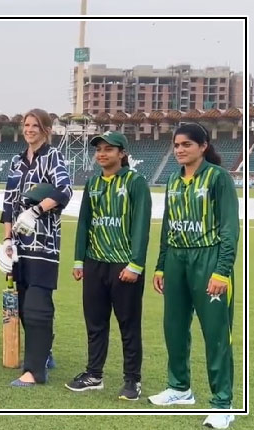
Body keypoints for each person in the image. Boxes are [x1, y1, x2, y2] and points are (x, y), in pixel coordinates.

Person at [147, 123, 239, 429]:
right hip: (176, 258)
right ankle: (179, 388)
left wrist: (221, 271)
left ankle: (223, 403)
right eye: (176, 145)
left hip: (208, 258)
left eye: (186, 144)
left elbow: (229, 229)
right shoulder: (173, 179)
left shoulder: (218, 178)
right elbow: (168, 225)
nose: (179, 150)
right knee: (174, 328)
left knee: (215, 335)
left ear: (203, 146)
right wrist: (161, 265)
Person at [65, 131, 151, 400]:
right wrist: (80, 259)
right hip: (95, 263)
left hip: (124, 266)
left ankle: (132, 380)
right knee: (95, 323)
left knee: (128, 325)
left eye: (109, 149)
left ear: (122, 153)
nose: (102, 154)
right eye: (99, 149)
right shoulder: (92, 183)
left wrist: (135, 264)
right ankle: (94, 374)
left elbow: (141, 225)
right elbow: (84, 223)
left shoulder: (135, 182)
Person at [0, 108, 72, 387]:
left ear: (45, 130)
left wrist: (37, 211)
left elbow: (64, 191)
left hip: (44, 244)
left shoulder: (53, 157)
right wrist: (7, 239)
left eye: (35, 125)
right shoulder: (17, 162)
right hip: (19, 245)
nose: (29, 129)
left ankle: (34, 372)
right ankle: (44, 353)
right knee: (24, 302)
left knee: (37, 306)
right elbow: (8, 203)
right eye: (26, 125)